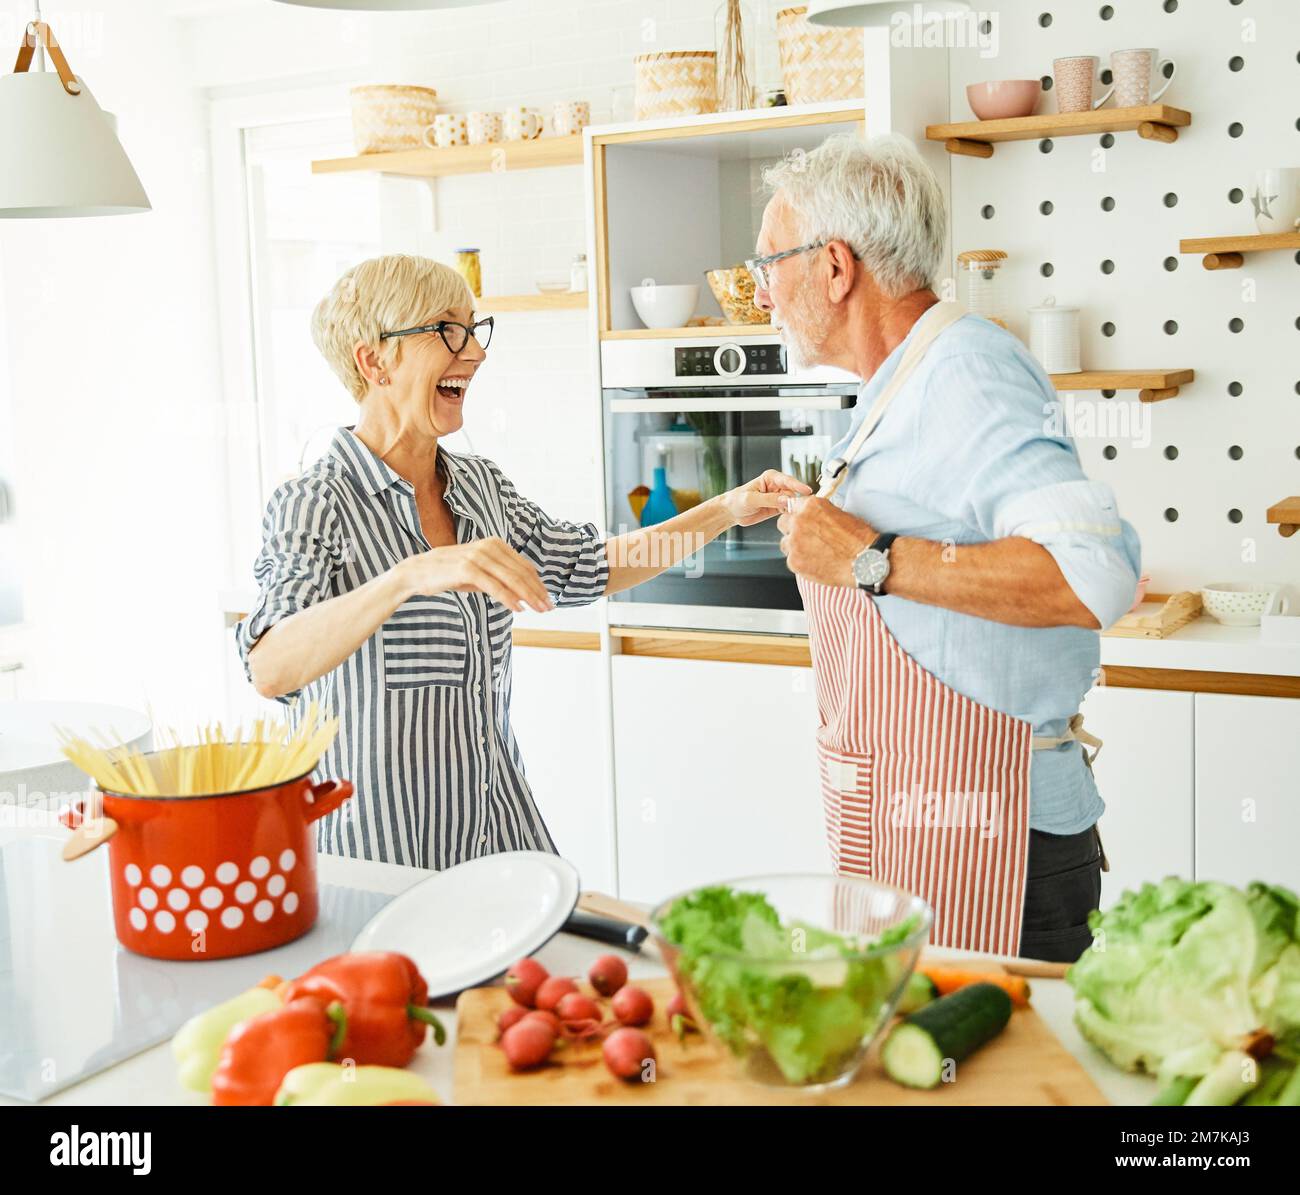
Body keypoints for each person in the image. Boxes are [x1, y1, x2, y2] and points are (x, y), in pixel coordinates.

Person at [236, 254, 808, 869]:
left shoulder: (480, 488)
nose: (475, 354)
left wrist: (726, 509)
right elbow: (271, 665)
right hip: (382, 859)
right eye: (446, 331)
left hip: (500, 837)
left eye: (474, 331)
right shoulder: (313, 502)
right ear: (374, 360)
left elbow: (597, 565)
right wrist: (406, 577)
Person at [757, 135, 1141, 961]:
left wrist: (869, 556)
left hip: (998, 842)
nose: (762, 295)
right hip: (926, 828)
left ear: (834, 267)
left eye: (769, 265)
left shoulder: (966, 372)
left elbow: (1094, 573)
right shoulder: (904, 381)